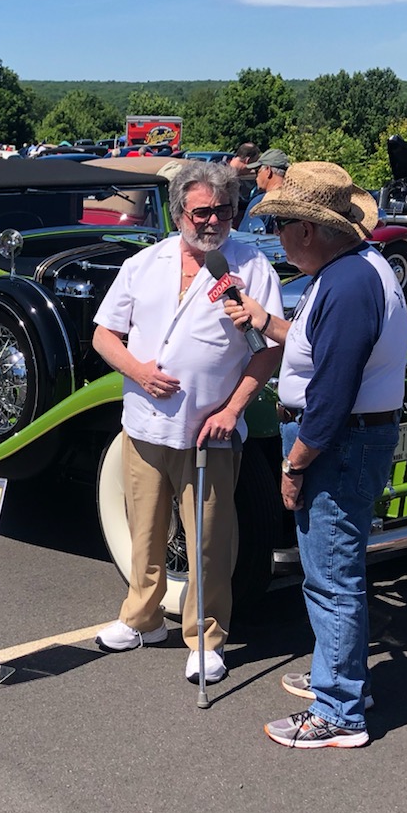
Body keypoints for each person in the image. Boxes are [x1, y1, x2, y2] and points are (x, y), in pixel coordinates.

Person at [222, 163, 407, 748]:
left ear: (307, 229)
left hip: (338, 443)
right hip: (351, 438)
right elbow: (314, 343)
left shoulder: (348, 284)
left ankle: (339, 713)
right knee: (334, 570)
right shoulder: (355, 269)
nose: (277, 238)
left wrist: (294, 464)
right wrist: (264, 320)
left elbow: (331, 393)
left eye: (280, 226)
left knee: (331, 577)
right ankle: (340, 677)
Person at [92, 160, 285, 685]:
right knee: (146, 531)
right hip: (145, 424)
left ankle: (206, 639)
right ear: (179, 213)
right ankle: (141, 618)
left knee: (208, 542)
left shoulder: (250, 266)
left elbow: (266, 351)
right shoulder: (144, 263)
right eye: (201, 211)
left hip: (210, 432)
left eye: (223, 210)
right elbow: (104, 334)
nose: (212, 221)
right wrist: (139, 371)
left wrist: (232, 410)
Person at [241, 148, 290, 228]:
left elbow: (244, 237)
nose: (256, 177)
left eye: (257, 171)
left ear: (268, 170)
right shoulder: (294, 200)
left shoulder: (260, 202)